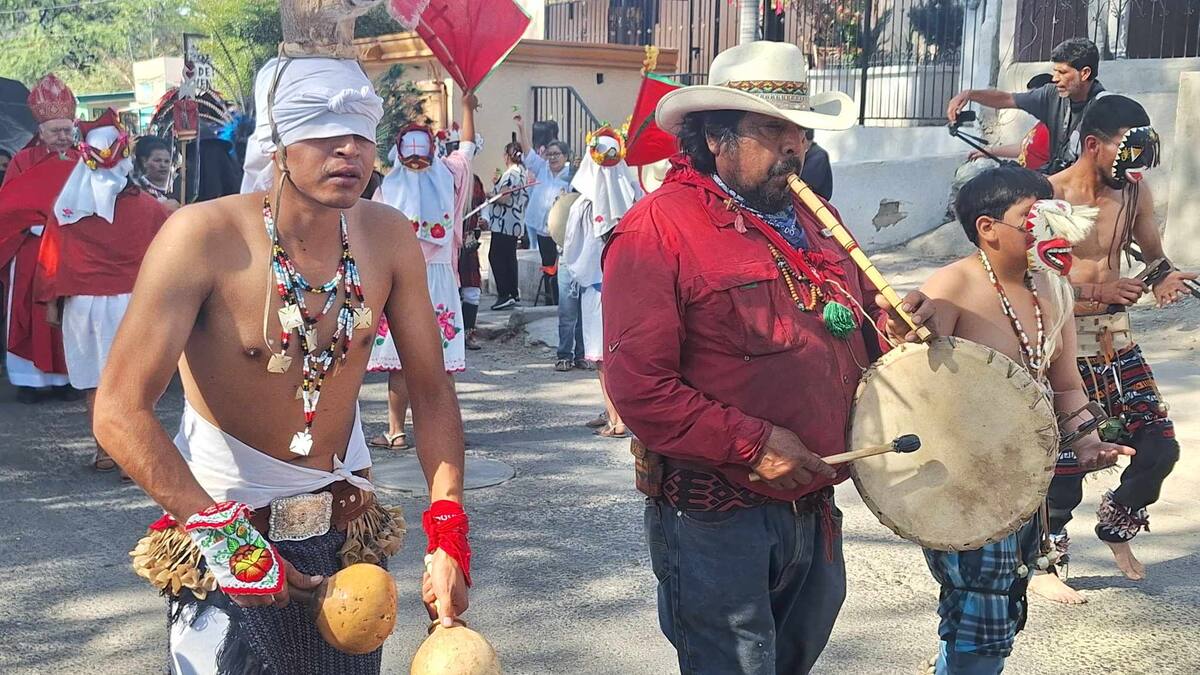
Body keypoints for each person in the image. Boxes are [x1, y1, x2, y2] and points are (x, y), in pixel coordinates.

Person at [92, 55, 470, 673]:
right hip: (227, 536)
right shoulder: (201, 237)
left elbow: (430, 392)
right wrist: (227, 539)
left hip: (347, 538)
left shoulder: (387, 235)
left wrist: (448, 529)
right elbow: (117, 410)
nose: (348, 148)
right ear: (278, 140)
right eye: (323, 129)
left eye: (362, 132)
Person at [602, 41, 934, 674]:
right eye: (771, 130)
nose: (794, 147)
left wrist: (895, 328)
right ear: (716, 139)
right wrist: (752, 444)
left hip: (814, 502)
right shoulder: (658, 229)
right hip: (716, 517)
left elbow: (858, 329)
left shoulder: (818, 218)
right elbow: (640, 387)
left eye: (801, 132)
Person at [917, 165, 1131, 673]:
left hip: (1024, 477)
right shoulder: (952, 286)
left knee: (1004, 605)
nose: (1050, 226)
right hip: (962, 480)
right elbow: (912, 380)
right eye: (1033, 217)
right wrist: (903, 333)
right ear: (988, 228)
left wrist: (1086, 441)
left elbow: (1066, 384)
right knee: (982, 609)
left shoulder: (1052, 289)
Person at [1033, 94, 1190, 602]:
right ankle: (1045, 564)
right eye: (1125, 150)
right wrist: (1095, 291)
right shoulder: (1048, 195)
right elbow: (1029, 279)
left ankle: (1117, 525)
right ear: (1092, 145)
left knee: (1159, 446)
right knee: (1064, 466)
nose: (1133, 165)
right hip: (1062, 344)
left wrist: (1165, 278)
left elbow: (1155, 259)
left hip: (1116, 342)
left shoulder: (1134, 191)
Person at [366, 93, 478, 450]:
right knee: (444, 363)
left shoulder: (387, 189)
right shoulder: (449, 175)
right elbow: (467, 148)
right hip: (441, 280)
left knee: (399, 361)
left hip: (402, 280)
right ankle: (449, 431)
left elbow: (373, 241)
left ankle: (396, 431)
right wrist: (467, 107)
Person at [0, 73, 75, 403]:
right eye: (56, 131)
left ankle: (67, 378)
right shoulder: (22, 161)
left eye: (67, 131)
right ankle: (29, 381)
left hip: (71, 249)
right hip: (31, 248)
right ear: (40, 132)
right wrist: (32, 225)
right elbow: (8, 207)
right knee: (30, 311)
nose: (63, 137)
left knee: (70, 312)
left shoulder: (83, 161)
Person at [563, 125, 642, 439]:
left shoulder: (584, 205)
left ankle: (615, 418)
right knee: (626, 354)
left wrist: (581, 274)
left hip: (598, 288)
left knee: (602, 356)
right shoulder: (635, 199)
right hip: (632, 288)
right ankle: (626, 414)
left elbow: (573, 250)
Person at [948, 38, 1105, 174]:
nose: (1055, 78)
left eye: (1062, 72)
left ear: (1084, 73)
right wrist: (969, 95)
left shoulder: (1104, 109)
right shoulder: (1051, 94)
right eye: (1055, 71)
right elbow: (1006, 98)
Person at [517, 114, 571, 297]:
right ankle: (550, 297)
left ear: (565, 156)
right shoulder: (542, 168)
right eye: (550, 154)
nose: (553, 158)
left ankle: (562, 298)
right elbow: (528, 152)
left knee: (562, 265)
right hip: (542, 229)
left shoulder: (571, 175)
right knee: (547, 264)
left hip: (562, 230)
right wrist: (521, 128)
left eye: (557, 154)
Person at [968, 74, 1054, 171]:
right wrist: (989, 151)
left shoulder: (1055, 128)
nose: (1029, 105)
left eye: (1032, 100)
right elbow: (1023, 148)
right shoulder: (1041, 124)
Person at [487, 142, 529, 310]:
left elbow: (504, 197)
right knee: (509, 257)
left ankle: (504, 293)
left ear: (507, 156)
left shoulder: (511, 174)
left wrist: (490, 195)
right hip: (515, 221)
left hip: (503, 222)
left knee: (496, 256)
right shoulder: (522, 172)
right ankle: (513, 292)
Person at [460, 173, 486, 351]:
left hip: (469, 242)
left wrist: (485, 220)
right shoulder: (442, 178)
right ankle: (449, 337)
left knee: (473, 291)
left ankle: (468, 334)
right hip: (445, 245)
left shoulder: (475, 180)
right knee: (451, 291)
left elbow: (483, 206)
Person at [133, 135, 181, 210]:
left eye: (167, 161)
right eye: (157, 160)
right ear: (144, 162)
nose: (163, 165)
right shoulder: (136, 189)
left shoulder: (180, 184)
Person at [798, 129, 832, 200]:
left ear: (804, 139)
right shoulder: (812, 153)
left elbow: (803, 184)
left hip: (814, 202)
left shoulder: (818, 156)